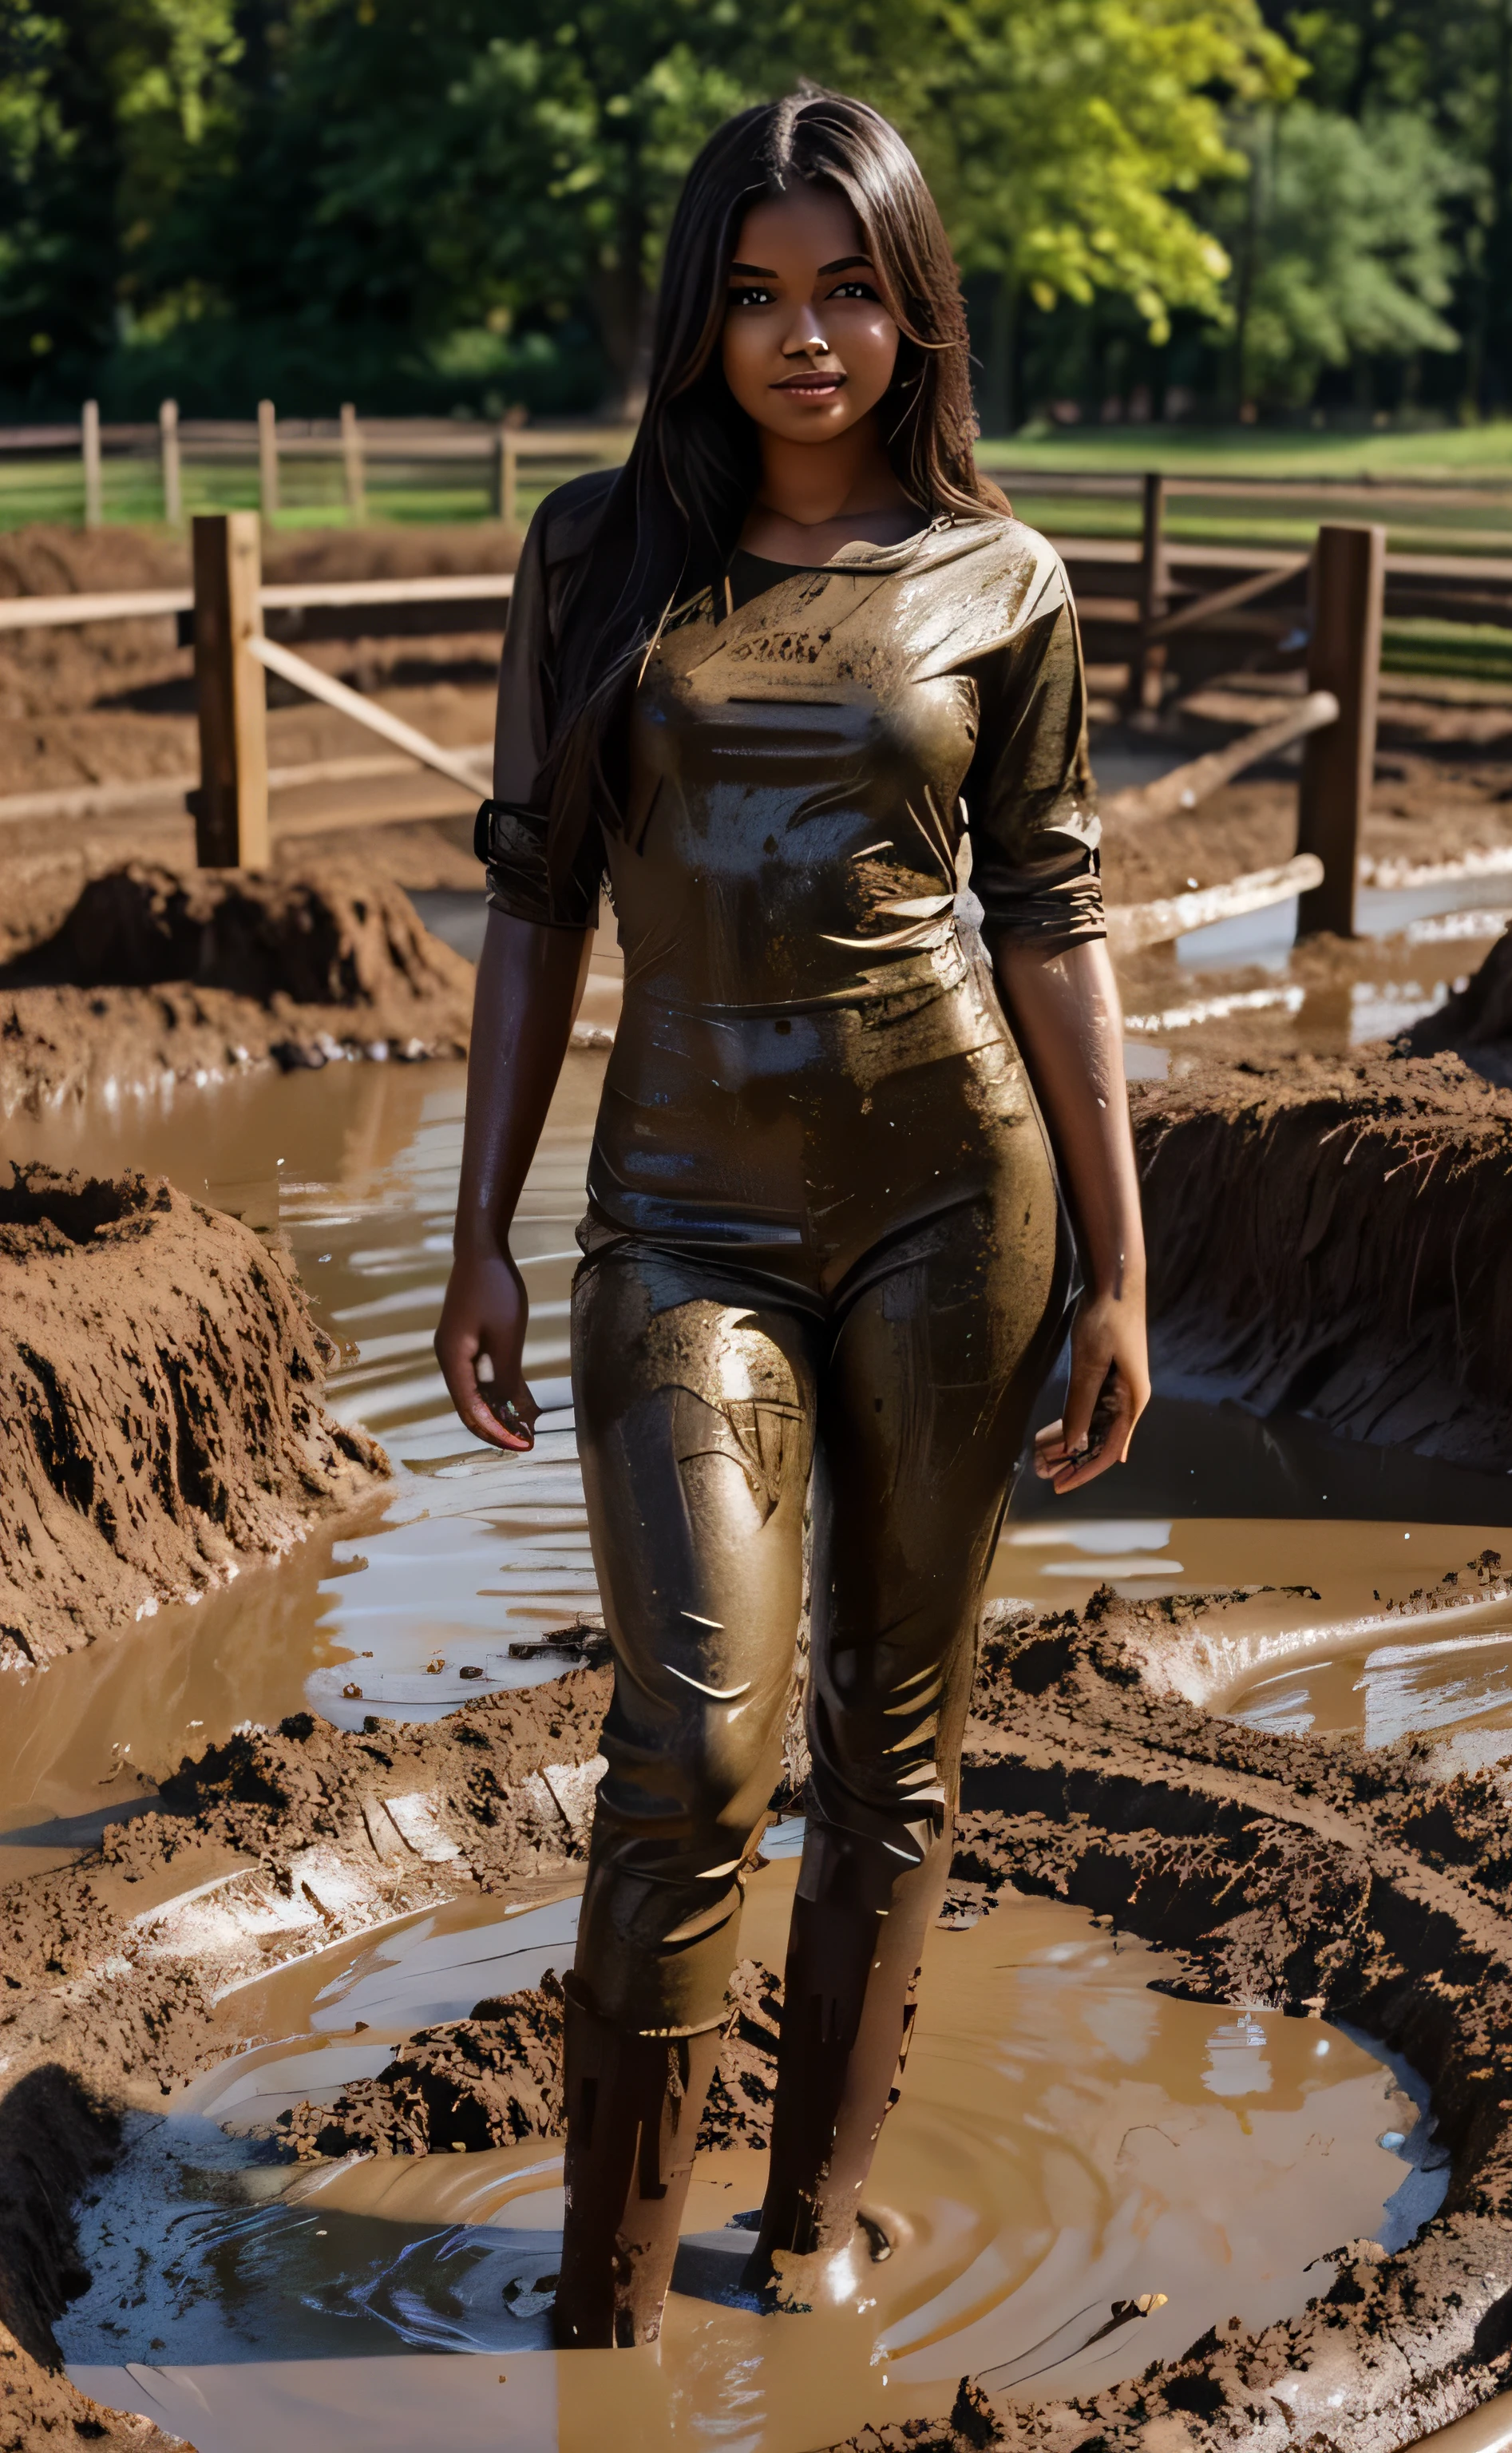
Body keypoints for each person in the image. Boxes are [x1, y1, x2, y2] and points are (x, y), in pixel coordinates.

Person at [433, 85, 1149, 2350]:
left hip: (963, 1208)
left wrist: (1124, 1264)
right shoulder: (594, 554)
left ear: (915, 305)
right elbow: (537, 910)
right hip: (676, 1224)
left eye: (847, 287)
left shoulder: (1000, 581)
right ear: (699, 314)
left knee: (891, 1739)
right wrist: (479, 1231)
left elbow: (1051, 920)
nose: (803, 336)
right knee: (694, 1749)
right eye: (753, 294)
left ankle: (815, 2212)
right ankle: (603, 2301)